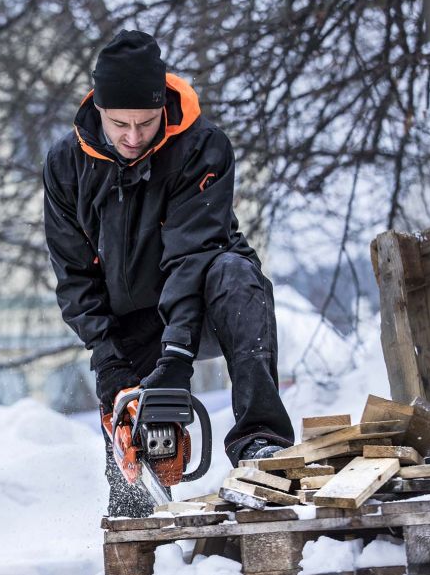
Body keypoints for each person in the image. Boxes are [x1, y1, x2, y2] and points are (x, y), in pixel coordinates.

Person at [42, 30, 295, 517]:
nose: (133, 137)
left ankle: (260, 443)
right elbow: (74, 275)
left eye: (145, 122)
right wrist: (108, 359)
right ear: (98, 108)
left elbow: (192, 253)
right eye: (120, 124)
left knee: (236, 275)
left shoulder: (201, 147)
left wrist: (177, 357)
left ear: (163, 108)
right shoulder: (65, 166)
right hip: (130, 320)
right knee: (133, 482)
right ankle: (135, 520)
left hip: (204, 304)